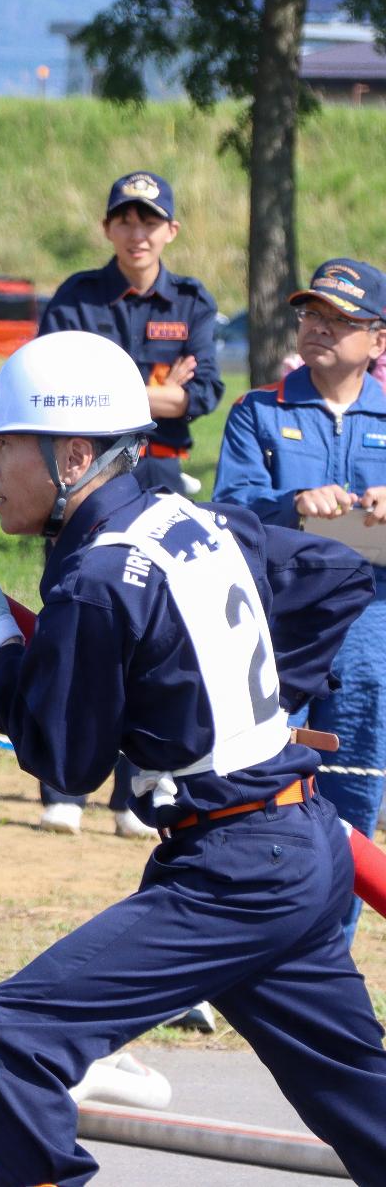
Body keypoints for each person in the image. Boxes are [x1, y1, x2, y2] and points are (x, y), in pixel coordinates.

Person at [0, 329, 386, 1187]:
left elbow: (64, 761)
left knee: (4, 1035)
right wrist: (223, 703)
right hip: (292, 843)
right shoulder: (192, 518)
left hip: (236, 871)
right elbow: (333, 575)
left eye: (4, 447)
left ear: (72, 454)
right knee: (366, 1108)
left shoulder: (96, 577)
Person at [33, 171, 224, 838]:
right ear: (108, 227)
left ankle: (134, 787)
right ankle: (60, 784)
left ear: (171, 229)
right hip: (82, 482)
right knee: (73, 617)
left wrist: (116, 392)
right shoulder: (76, 298)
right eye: (125, 219)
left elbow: (200, 397)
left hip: (161, 477)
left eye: (150, 220)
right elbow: (56, 388)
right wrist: (157, 388)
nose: (137, 232)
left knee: (152, 627)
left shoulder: (194, 304)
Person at [215, 258, 386, 940]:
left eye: (338, 320)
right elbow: (227, 515)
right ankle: (231, 940)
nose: (318, 328)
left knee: (351, 792)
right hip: (277, 630)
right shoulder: (259, 410)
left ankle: (324, 951)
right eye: (311, 315)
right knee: (253, 792)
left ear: (378, 339)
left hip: (371, 631)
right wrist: (292, 505)